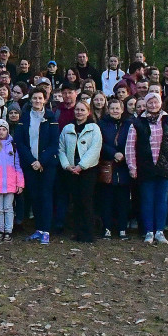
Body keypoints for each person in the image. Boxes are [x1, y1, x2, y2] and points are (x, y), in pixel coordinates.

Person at [126, 93, 168, 245]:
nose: (153, 105)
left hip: (164, 166)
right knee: (147, 199)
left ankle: (160, 230)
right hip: (145, 167)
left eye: (155, 102)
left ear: (160, 103)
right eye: (150, 103)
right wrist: (132, 166)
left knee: (162, 199)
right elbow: (130, 146)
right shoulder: (137, 122)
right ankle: (148, 231)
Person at [14, 88, 60, 240]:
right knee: (34, 196)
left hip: (47, 165)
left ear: (45, 100)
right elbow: (20, 143)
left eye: (40, 98)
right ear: (30, 100)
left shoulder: (51, 117)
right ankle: (38, 229)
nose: (37, 101)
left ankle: (46, 230)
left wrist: (41, 161)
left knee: (45, 196)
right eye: (35, 98)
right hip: (30, 164)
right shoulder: (24, 118)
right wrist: (32, 161)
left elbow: (54, 143)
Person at [58, 101, 103, 244]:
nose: (79, 112)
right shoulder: (67, 128)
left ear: (88, 112)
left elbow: (95, 149)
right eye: (77, 109)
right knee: (75, 201)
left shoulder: (94, 128)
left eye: (82, 110)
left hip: (87, 170)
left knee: (86, 201)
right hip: (71, 170)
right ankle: (77, 232)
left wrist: (81, 166)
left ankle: (88, 233)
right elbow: (61, 149)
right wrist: (67, 166)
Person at [97, 97, 132, 240]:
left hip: (124, 166)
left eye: (117, 108)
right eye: (112, 108)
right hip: (108, 165)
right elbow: (100, 143)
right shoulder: (102, 124)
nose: (115, 111)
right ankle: (107, 228)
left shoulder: (128, 124)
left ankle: (122, 228)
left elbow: (132, 140)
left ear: (122, 110)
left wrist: (123, 154)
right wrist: (113, 153)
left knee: (123, 199)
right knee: (107, 199)